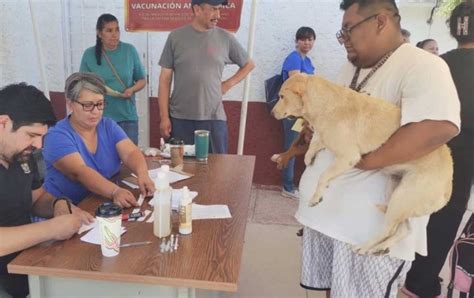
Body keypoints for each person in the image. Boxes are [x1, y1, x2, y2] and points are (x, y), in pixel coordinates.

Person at [297, 1, 460, 297]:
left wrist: (366, 160)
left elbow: (438, 127)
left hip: (369, 230)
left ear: (380, 22)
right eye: (341, 32)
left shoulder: (424, 65)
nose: (343, 39)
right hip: (330, 221)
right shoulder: (350, 67)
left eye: (348, 30)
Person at [404, 2, 474, 297]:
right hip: (461, 162)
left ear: (453, 28)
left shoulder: (438, 64)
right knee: (444, 222)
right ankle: (421, 284)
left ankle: (416, 282)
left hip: (432, 158)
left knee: (429, 221)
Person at [0, 83, 93, 298]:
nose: (39, 145)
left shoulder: (21, 156)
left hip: (26, 265)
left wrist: (58, 204)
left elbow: (36, 198)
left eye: (42, 136)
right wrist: (52, 229)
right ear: (3, 123)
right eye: (31, 135)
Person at [43, 72, 155, 208]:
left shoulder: (108, 125)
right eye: (88, 105)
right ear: (70, 104)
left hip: (100, 200)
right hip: (68, 207)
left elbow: (130, 152)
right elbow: (80, 172)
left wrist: (142, 174)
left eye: (100, 104)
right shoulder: (57, 136)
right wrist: (114, 191)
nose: (95, 111)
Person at [158, 0, 255, 153]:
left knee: (216, 171)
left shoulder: (226, 38)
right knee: (181, 172)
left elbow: (249, 64)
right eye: (214, 9)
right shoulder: (175, 37)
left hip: (213, 119)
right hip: (180, 119)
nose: (218, 15)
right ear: (197, 10)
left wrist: (227, 84)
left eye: (219, 10)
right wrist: (164, 117)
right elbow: (164, 80)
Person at [80, 13, 146, 145]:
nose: (114, 34)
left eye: (117, 30)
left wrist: (131, 89)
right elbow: (83, 83)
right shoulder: (89, 54)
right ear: (99, 33)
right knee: (103, 158)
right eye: (109, 30)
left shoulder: (129, 50)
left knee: (129, 158)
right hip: (100, 117)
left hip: (127, 116)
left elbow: (142, 80)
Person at [280, 26, 316, 199]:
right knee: (292, 148)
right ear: (297, 41)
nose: (307, 42)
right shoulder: (294, 59)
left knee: (298, 146)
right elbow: (297, 87)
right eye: (303, 39)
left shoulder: (307, 61)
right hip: (292, 112)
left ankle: (291, 184)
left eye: (310, 39)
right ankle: (287, 187)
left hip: (303, 112)